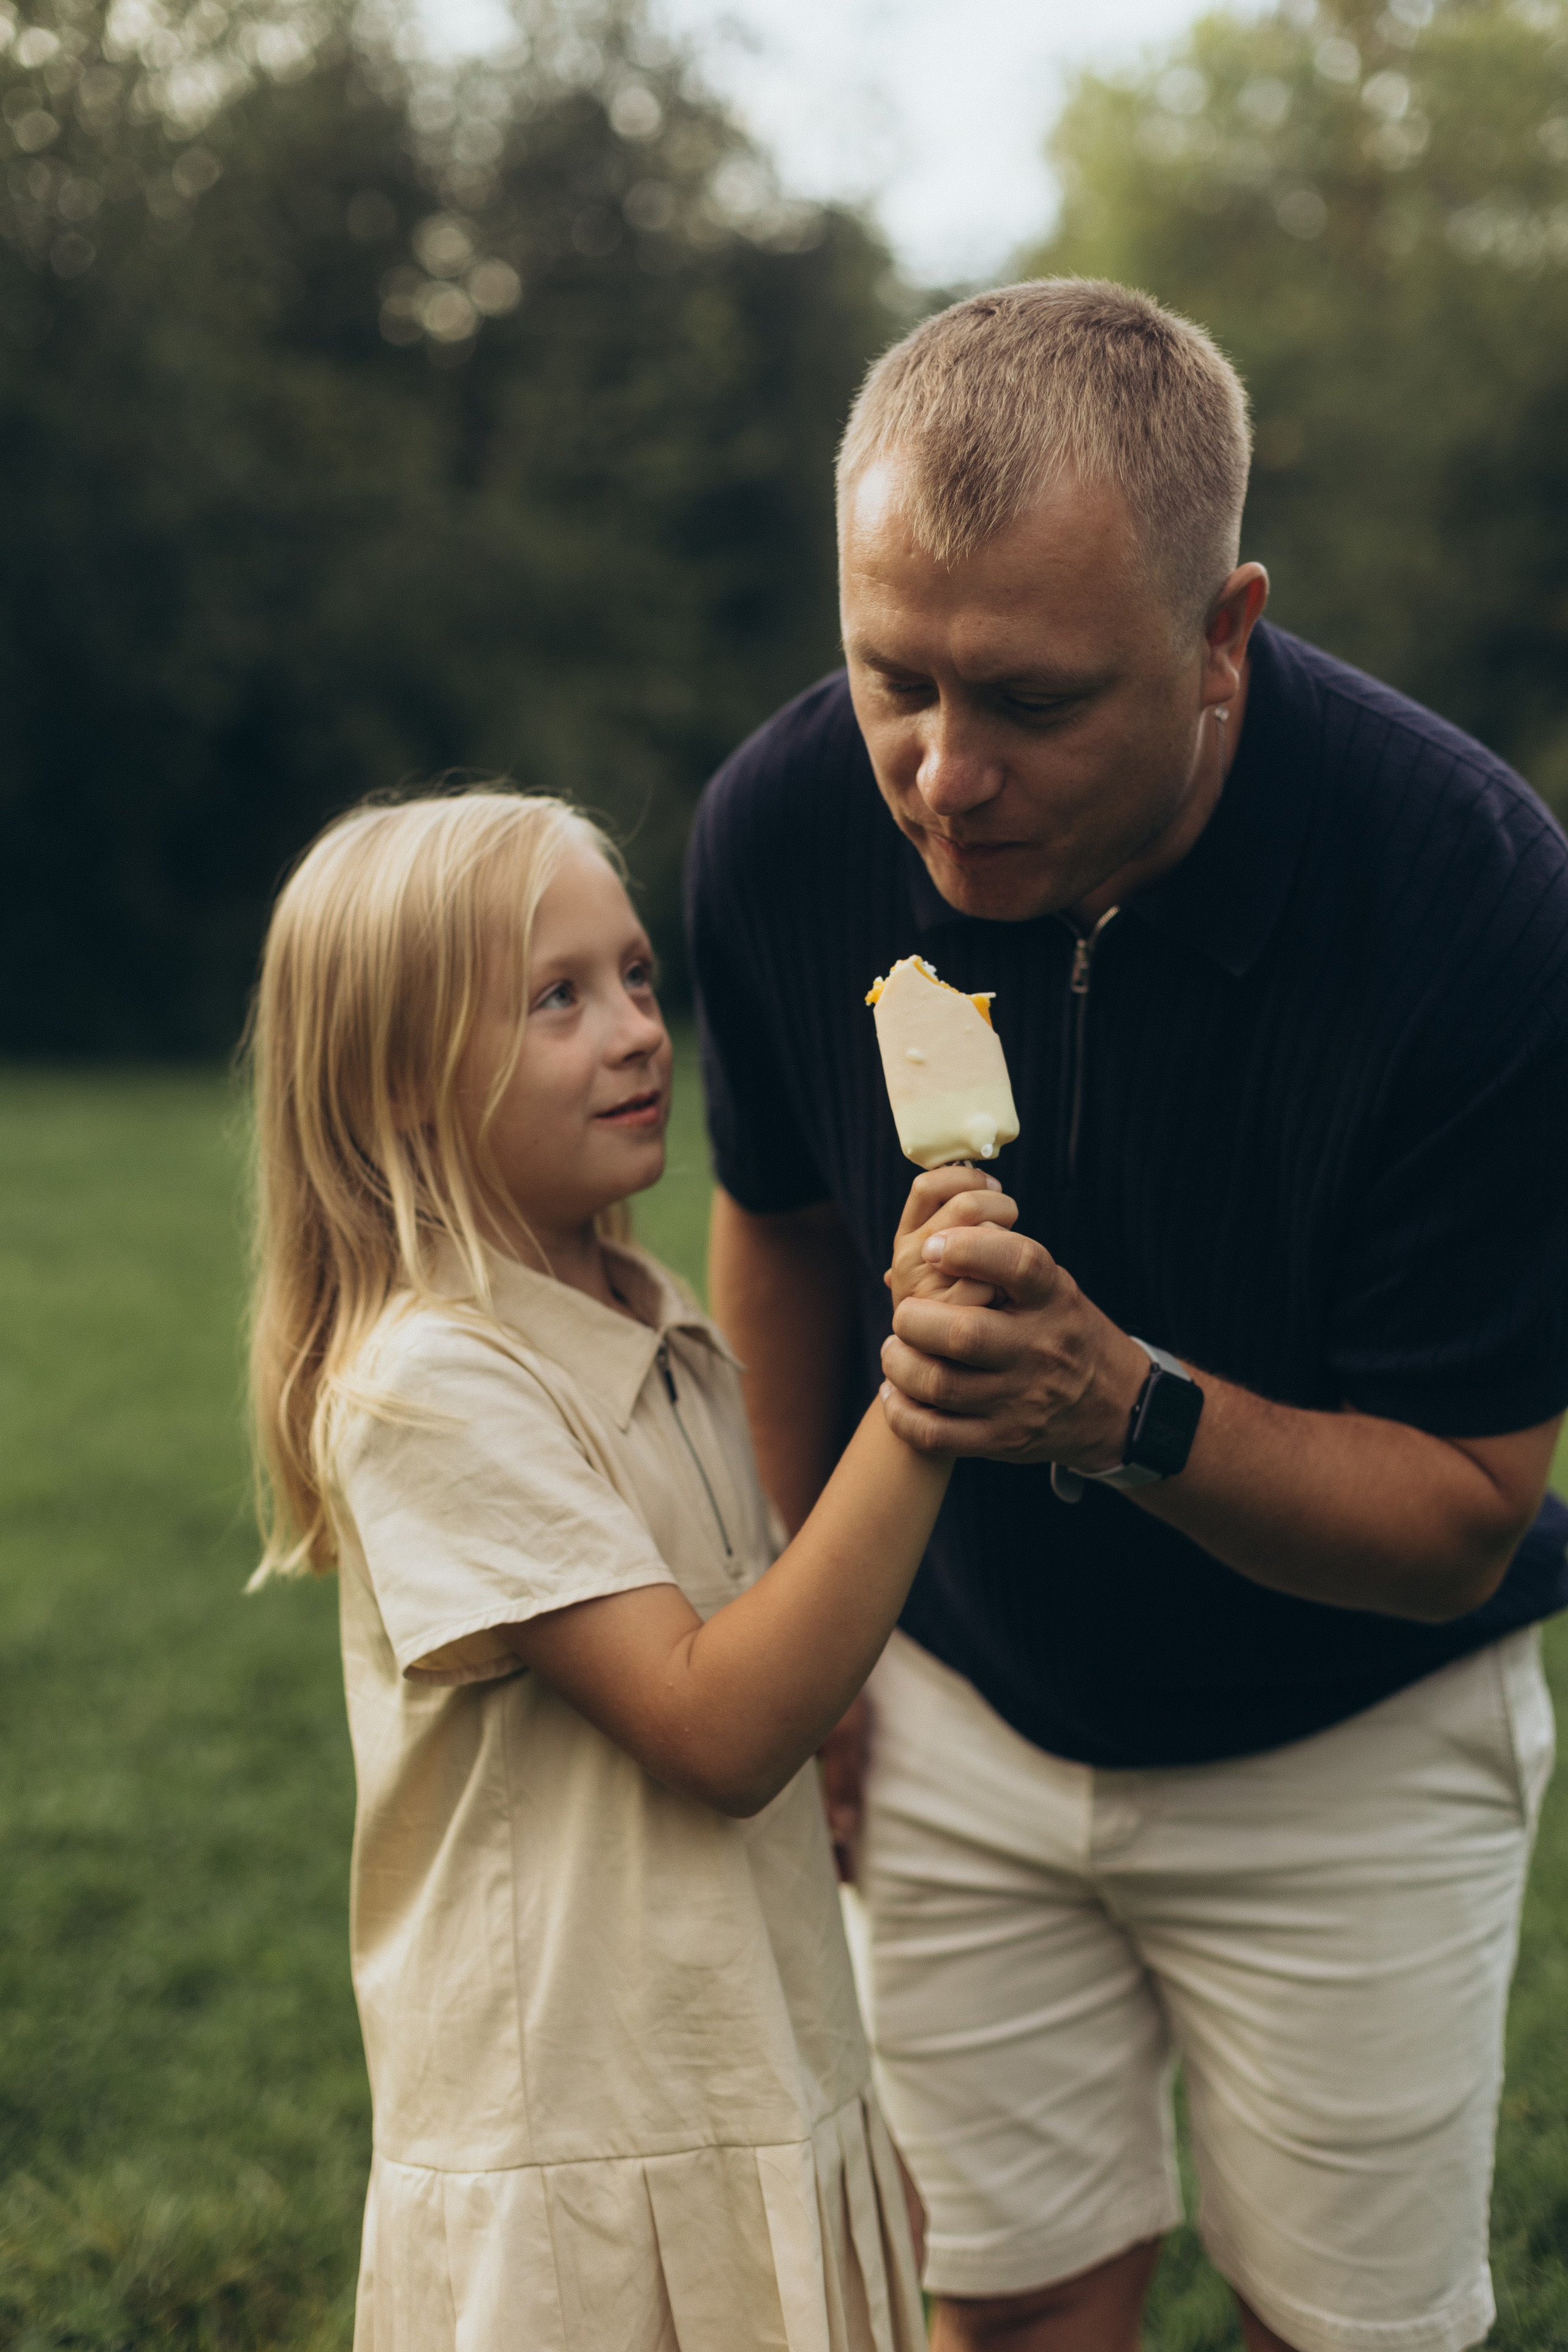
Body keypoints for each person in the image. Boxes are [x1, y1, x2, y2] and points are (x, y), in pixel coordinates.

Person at [687, 279, 1568, 2352]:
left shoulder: (1473, 905)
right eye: (890, 671)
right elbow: (781, 1228)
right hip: (959, 1712)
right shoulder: (786, 822)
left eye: (1034, 703)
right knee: (1000, 2310)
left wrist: (1122, 1406)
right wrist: (807, 1640)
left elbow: (1458, 1513)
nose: (942, 773)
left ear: (1223, 639)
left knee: (1342, 2331)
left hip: (1347, 1734)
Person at [243, 786, 953, 2351]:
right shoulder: (431, 1381)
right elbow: (715, 1729)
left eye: (635, 976)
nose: (638, 1031)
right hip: (585, 2157)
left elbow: (776, 1657)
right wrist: (924, 1401)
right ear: (404, 1090)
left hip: (747, 2074)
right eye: (556, 998)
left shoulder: (664, 1318)